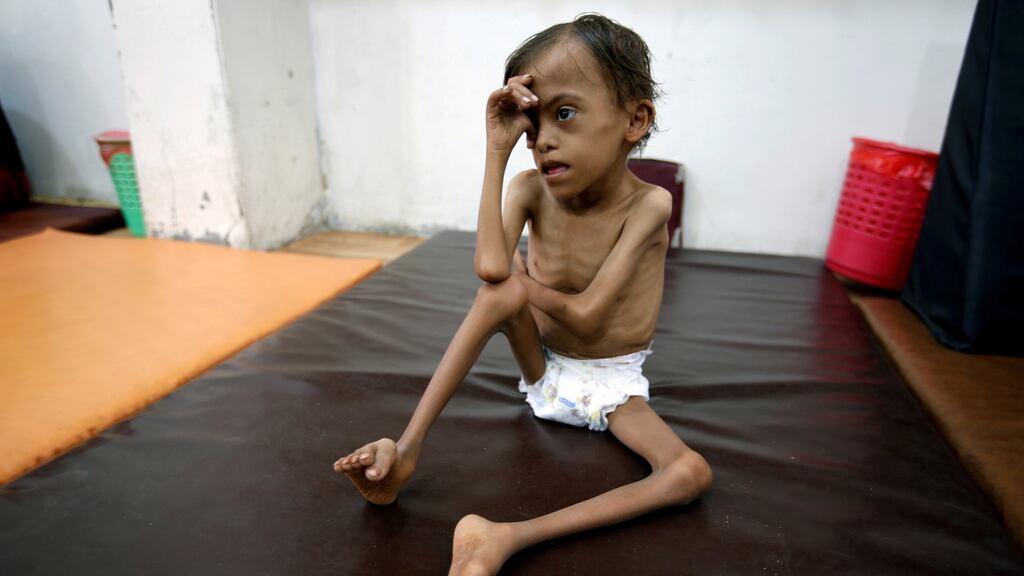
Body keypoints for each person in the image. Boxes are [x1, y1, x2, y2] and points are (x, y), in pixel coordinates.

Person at [334, 14, 712, 575]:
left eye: (563, 114)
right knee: (499, 294)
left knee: (688, 473)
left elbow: (586, 320)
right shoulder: (530, 188)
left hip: (612, 385)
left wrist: (523, 283)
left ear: (634, 119)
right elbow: (490, 270)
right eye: (531, 128)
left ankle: (503, 537)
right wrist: (496, 151)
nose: (544, 141)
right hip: (541, 371)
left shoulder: (648, 205)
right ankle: (405, 452)